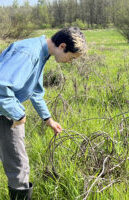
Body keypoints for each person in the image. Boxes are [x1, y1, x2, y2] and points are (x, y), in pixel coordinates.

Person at [0, 27, 86, 199]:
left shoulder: (40, 52)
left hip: (6, 108)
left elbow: (36, 91)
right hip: (6, 111)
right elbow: (2, 87)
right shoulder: (29, 54)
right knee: (19, 166)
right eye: (72, 57)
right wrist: (19, 115)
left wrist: (48, 119)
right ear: (62, 46)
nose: (70, 62)